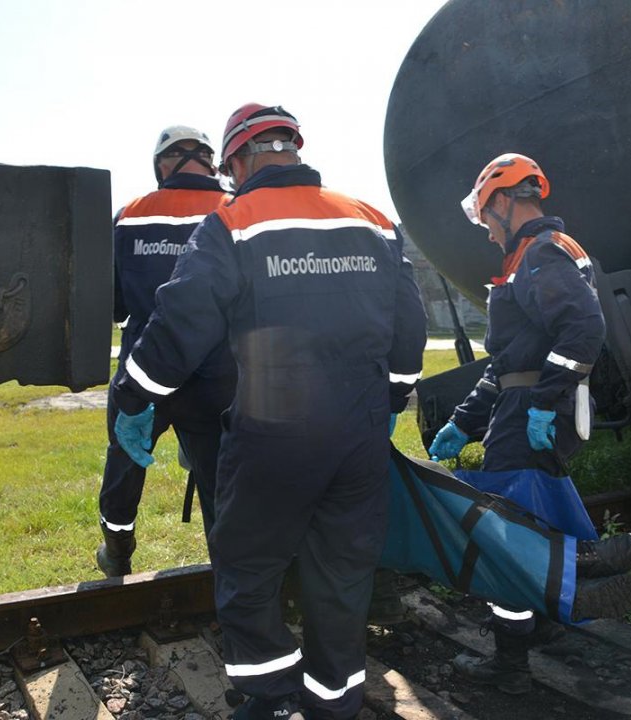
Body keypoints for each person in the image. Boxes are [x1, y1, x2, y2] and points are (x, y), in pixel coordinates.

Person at [111, 103, 427, 720]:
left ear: (238, 160)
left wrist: (133, 399)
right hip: (359, 433)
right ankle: (334, 701)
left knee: (248, 568)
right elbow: (408, 326)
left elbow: (181, 323)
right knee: (342, 572)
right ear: (293, 149)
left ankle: (271, 698)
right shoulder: (371, 220)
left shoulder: (234, 222)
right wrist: (392, 397)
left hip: (273, 428)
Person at [428, 153, 631, 693]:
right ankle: (564, 599)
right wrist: (464, 421)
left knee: (505, 534)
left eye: (485, 217)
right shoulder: (537, 254)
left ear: (503, 201)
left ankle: (511, 664)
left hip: (532, 411)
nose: (484, 230)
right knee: (532, 519)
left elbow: (582, 330)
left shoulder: (540, 256)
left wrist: (545, 402)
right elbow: (509, 364)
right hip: (530, 407)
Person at [96, 125, 235, 577]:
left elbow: (112, 301)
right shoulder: (235, 210)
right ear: (211, 163)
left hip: (142, 369)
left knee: (125, 461)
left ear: (161, 164)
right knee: (221, 477)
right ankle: (231, 572)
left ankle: (117, 551)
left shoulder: (131, 214)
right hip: (218, 374)